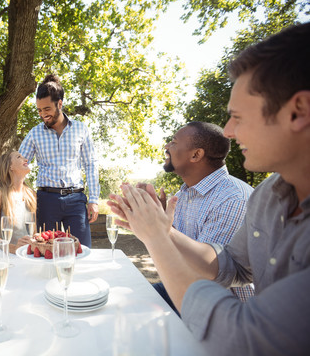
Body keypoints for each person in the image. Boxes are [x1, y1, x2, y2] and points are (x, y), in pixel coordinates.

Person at [108, 22, 310, 355]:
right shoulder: (268, 197)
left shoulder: (237, 195)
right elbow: (233, 267)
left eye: (238, 117)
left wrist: (157, 237)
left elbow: (240, 338)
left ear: (298, 111)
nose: (228, 132)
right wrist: (162, 229)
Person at [150, 121, 254, 313]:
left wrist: (159, 230)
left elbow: (204, 277)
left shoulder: (232, 199)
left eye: (173, 142)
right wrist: (154, 224)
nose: (166, 146)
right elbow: (173, 258)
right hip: (187, 292)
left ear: (196, 155)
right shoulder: (181, 196)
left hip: (221, 310)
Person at [0, 74, 100, 247]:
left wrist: (94, 199)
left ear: (59, 104)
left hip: (76, 199)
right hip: (46, 201)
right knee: (45, 250)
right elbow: (15, 163)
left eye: (46, 109)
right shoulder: (35, 133)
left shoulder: (80, 129)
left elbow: (90, 164)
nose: (42, 114)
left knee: (82, 250)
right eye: (39, 110)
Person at [0, 151, 37, 254]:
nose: (26, 159)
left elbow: (34, 233)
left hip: (26, 255)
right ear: (10, 167)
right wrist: (15, 248)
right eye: (19, 157)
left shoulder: (31, 194)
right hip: (4, 256)